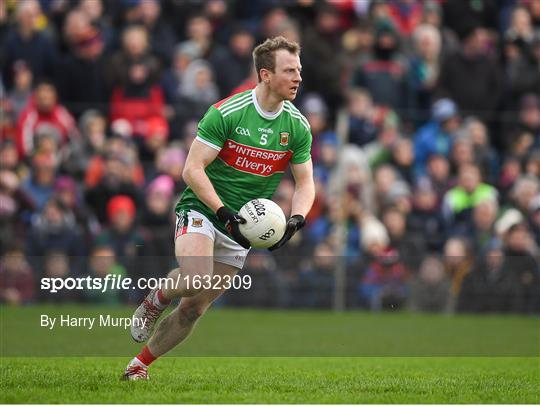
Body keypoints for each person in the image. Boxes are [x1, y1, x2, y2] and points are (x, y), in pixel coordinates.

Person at [123, 36, 315, 380]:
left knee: (195, 308)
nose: (298, 77)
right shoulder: (227, 112)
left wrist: (296, 219)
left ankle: (139, 366)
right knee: (196, 277)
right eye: (290, 70)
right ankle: (156, 298)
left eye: (299, 70)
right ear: (266, 75)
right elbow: (191, 170)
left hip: (243, 226)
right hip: (203, 207)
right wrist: (222, 210)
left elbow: (305, 183)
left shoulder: (297, 126)